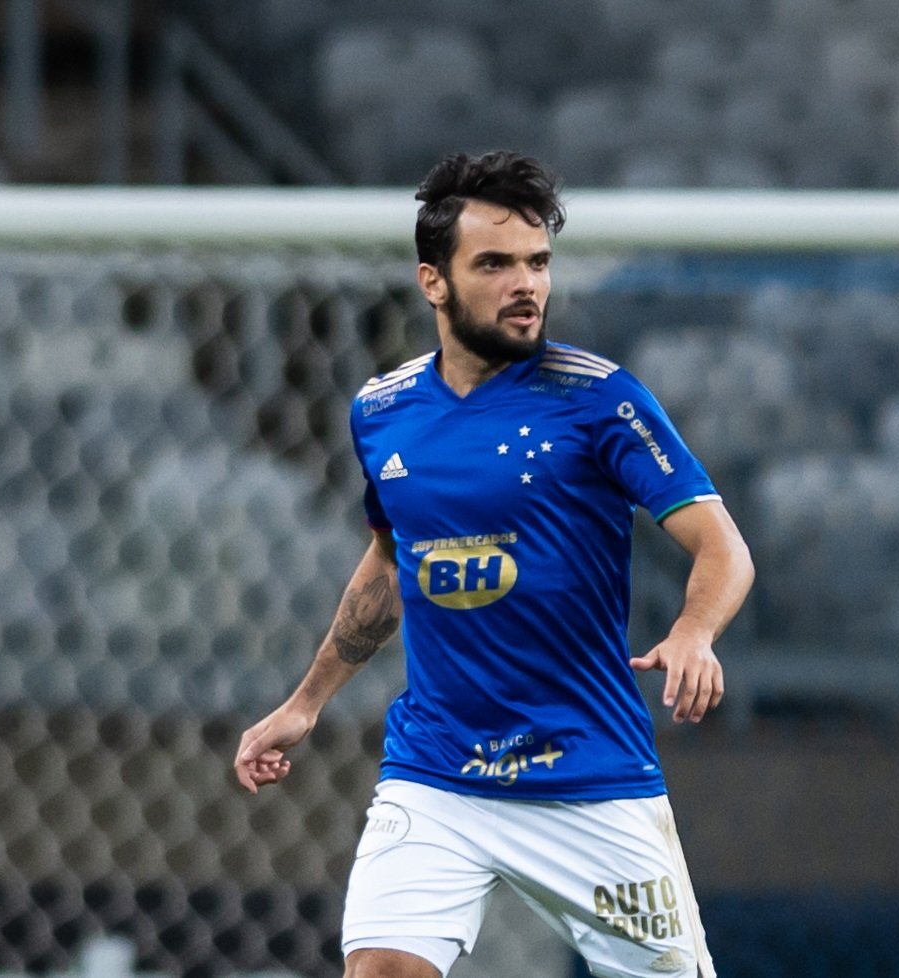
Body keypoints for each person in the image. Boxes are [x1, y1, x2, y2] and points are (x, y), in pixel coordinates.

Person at [234, 150, 754, 978]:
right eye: (497, 263)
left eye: (539, 262)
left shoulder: (598, 399)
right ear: (432, 281)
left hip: (587, 775)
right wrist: (308, 701)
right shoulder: (383, 410)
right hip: (438, 772)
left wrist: (694, 631)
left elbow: (722, 545)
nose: (527, 285)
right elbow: (386, 565)